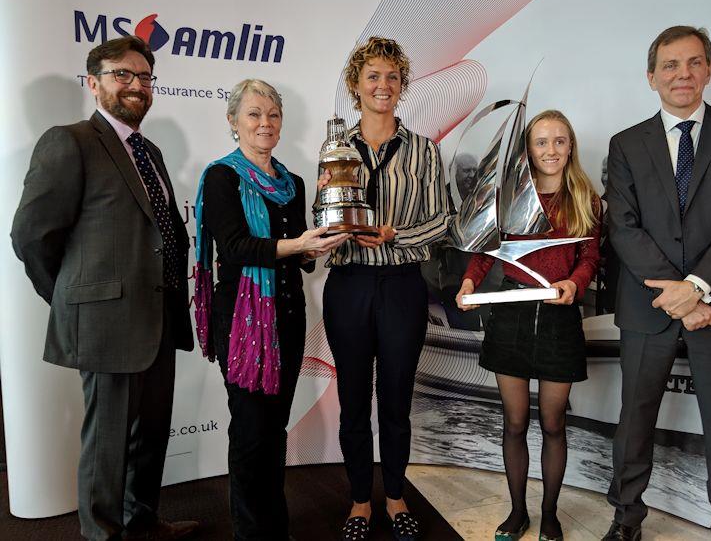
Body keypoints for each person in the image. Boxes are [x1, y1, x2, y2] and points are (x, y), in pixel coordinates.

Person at [11, 36, 197, 540]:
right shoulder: (68, 141)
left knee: (150, 436)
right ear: (94, 83)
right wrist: (74, 296)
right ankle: (103, 535)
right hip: (106, 321)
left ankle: (142, 523)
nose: (136, 85)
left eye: (144, 77)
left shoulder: (149, 150)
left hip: (159, 319)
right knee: (108, 443)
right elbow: (31, 235)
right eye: (122, 75)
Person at [603, 26, 711, 541]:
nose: (683, 75)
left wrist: (696, 287)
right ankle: (627, 522)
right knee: (634, 423)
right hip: (649, 308)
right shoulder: (626, 144)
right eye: (671, 66)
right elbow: (623, 227)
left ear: (709, 70)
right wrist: (679, 297)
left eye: (694, 63)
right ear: (651, 77)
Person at [194, 79, 347, 541]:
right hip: (242, 322)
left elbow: (302, 259)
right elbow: (237, 248)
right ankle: (251, 533)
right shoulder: (221, 177)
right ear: (233, 122)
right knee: (250, 433)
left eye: (273, 115)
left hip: (287, 317)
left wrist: (317, 238)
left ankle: (274, 529)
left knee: (274, 429)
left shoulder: (292, 183)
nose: (265, 123)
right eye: (254, 114)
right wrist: (297, 244)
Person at [318, 37, 449, 541]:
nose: (383, 85)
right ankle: (358, 501)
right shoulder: (334, 148)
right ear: (356, 84)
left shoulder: (424, 150)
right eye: (373, 75)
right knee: (353, 400)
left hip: (401, 285)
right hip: (348, 284)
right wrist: (329, 235)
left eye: (392, 77)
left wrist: (399, 235)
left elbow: (442, 220)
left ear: (402, 86)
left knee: (395, 399)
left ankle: (395, 497)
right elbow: (322, 214)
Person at [456, 110, 601, 541]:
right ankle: (518, 512)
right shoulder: (510, 197)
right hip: (512, 315)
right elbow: (485, 252)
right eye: (541, 142)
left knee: (554, 423)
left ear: (570, 146)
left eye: (559, 141)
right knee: (515, 423)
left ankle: (551, 515)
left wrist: (574, 285)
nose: (551, 150)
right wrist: (468, 283)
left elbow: (591, 257)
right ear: (528, 149)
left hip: (560, 318)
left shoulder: (586, 198)